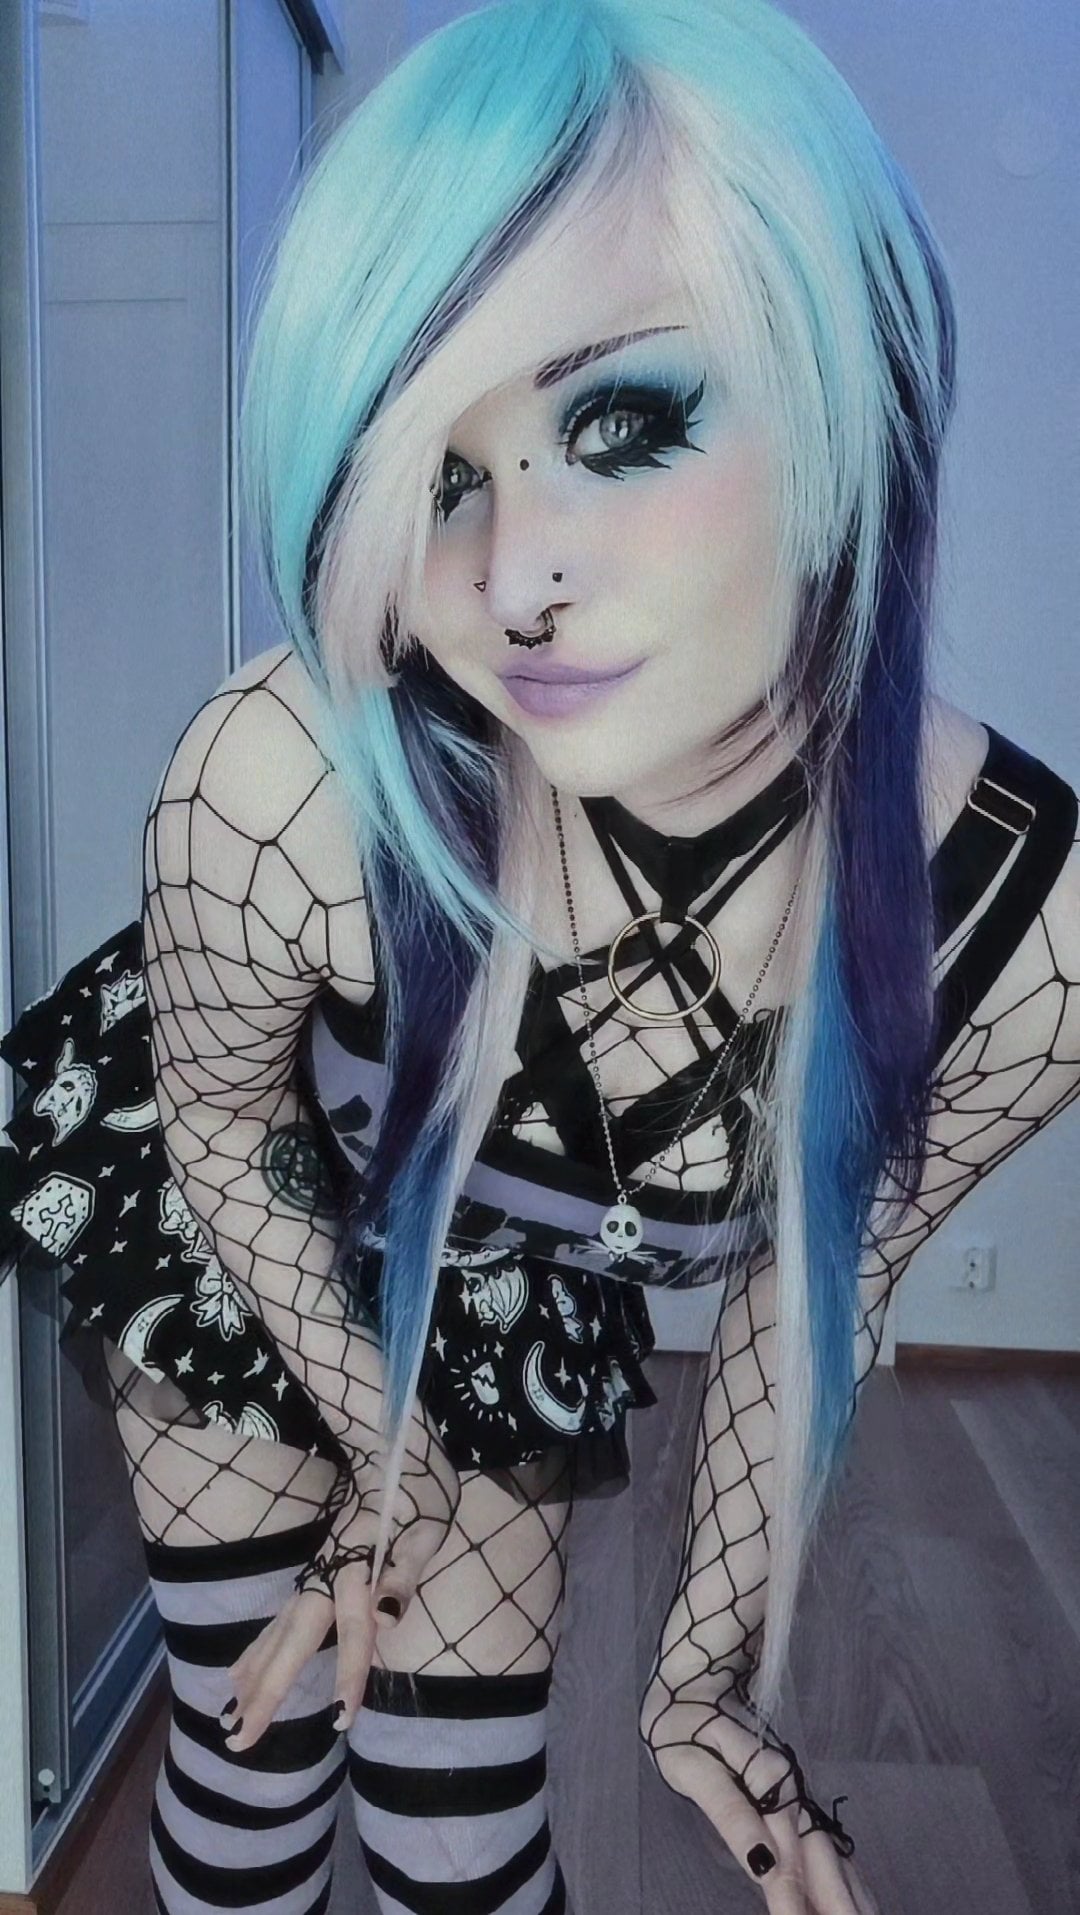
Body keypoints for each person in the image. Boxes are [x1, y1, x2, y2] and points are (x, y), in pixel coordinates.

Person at [2, 1, 1078, 1910]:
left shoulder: (1019, 922)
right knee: (253, 1762)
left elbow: (817, 1282)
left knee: (456, 1820)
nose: (508, 583)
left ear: (854, 375)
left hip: (491, 1277)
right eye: (435, 471)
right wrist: (387, 1468)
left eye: (622, 424)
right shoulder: (280, 778)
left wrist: (696, 1683)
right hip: (237, 1216)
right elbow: (224, 1133)